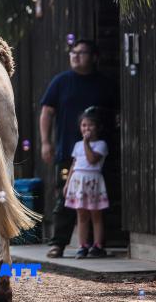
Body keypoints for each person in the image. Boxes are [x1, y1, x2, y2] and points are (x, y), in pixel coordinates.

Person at [39, 39, 117, 258]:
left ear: (94, 57)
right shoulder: (61, 81)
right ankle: (58, 243)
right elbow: (47, 112)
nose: (75, 56)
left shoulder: (104, 84)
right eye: (73, 52)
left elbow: (116, 114)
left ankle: (96, 245)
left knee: (98, 201)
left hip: (99, 153)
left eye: (81, 53)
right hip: (68, 150)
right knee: (65, 198)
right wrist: (46, 142)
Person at [63, 107, 109, 258]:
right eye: (83, 125)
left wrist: (86, 143)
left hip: (93, 182)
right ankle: (82, 245)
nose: (86, 128)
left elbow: (92, 159)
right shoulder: (77, 145)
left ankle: (98, 245)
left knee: (96, 214)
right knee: (81, 215)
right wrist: (67, 183)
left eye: (90, 125)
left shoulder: (101, 144)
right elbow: (73, 165)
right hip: (78, 182)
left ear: (97, 127)